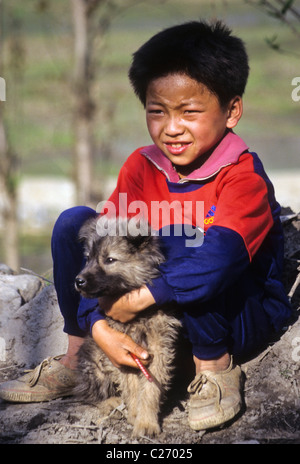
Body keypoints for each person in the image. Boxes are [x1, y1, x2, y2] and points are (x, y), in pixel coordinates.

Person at [0, 20, 291, 431]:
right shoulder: (143, 165)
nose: (171, 128)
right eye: (157, 112)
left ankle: (213, 368)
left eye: (189, 112)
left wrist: (137, 300)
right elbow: (104, 244)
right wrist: (99, 324)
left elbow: (221, 260)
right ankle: (77, 354)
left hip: (237, 315)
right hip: (164, 311)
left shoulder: (243, 177)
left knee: (191, 241)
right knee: (77, 226)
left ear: (232, 111)